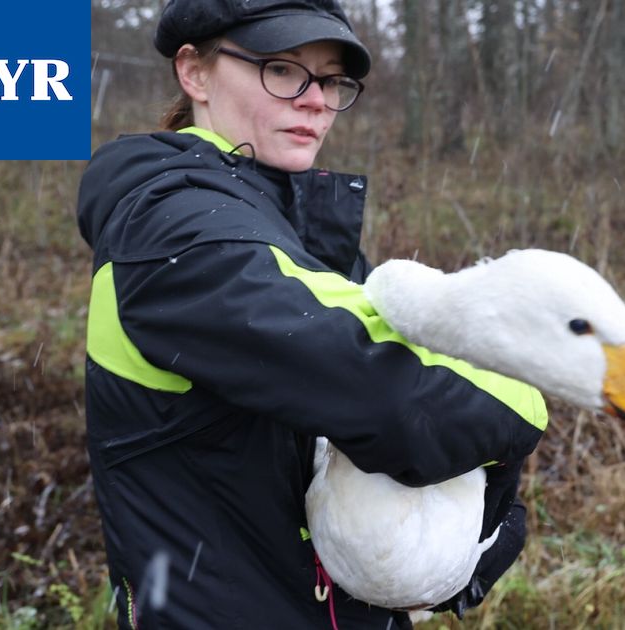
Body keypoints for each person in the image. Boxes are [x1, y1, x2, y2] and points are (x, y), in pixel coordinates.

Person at [76, 1, 547, 627]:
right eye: (282, 70)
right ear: (194, 72)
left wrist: (447, 539)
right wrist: (525, 403)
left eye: (330, 80)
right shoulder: (179, 230)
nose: (316, 100)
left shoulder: (285, 222)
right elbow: (392, 397)